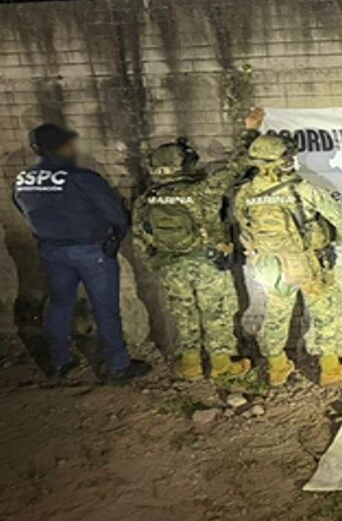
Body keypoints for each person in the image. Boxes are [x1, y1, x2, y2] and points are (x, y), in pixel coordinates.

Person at [12, 123, 150, 382]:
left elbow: (23, 209)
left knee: (59, 305)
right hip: (91, 251)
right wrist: (114, 239)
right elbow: (117, 216)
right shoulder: (83, 177)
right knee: (105, 309)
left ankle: (59, 363)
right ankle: (118, 366)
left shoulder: (24, 179)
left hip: (52, 251)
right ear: (64, 146)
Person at [132, 109, 263, 381]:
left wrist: (157, 264)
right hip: (207, 263)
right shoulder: (202, 190)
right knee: (217, 313)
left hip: (171, 265)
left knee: (184, 314)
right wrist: (250, 130)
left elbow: (140, 238)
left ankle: (190, 365)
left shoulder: (146, 199)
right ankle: (221, 364)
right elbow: (239, 166)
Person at [232, 128, 342, 387]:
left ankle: (276, 367)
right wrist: (339, 238)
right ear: (283, 159)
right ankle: (330, 369)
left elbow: (243, 225)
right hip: (305, 262)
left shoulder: (245, 192)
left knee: (276, 314)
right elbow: (340, 220)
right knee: (324, 311)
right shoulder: (303, 189)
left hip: (268, 264)